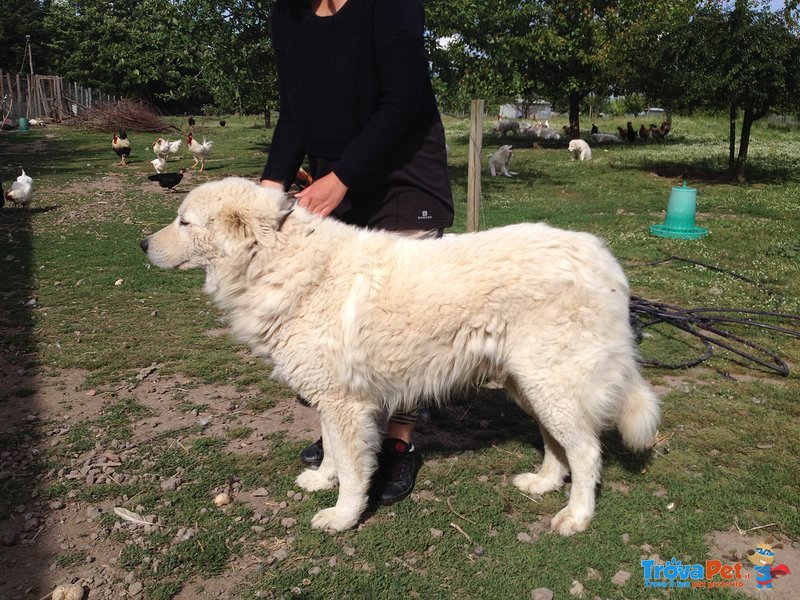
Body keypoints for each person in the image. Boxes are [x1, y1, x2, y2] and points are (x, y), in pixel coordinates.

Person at [259, 0, 454, 506]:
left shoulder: (389, 7)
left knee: (404, 318)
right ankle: (346, 426)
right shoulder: (289, 15)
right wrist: (267, 190)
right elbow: (295, 111)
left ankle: (399, 438)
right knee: (334, 319)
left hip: (402, 172)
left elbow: (403, 100)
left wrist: (341, 179)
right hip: (334, 177)